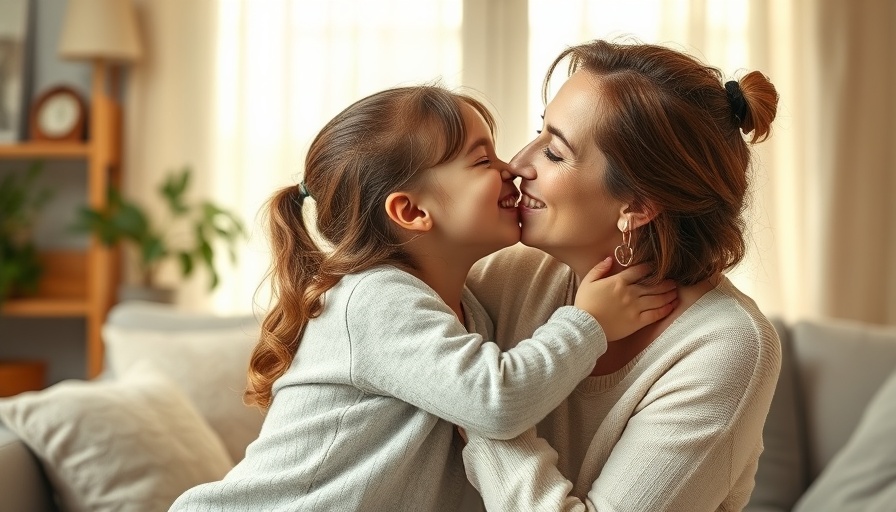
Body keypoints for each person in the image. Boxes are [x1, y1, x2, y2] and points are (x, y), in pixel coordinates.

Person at [170, 84, 677, 512]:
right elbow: (495, 403)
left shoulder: (468, 310)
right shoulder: (373, 299)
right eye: (483, 159)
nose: (513, 167)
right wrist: (587, 324)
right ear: (412, 211)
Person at [461, 39, 783, 511]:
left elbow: (465, 398)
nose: (516, 164)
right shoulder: (514, 275)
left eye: (554, 153)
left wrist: (473, 404)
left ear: (637, 205)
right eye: (538, 133)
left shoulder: (727, 346)